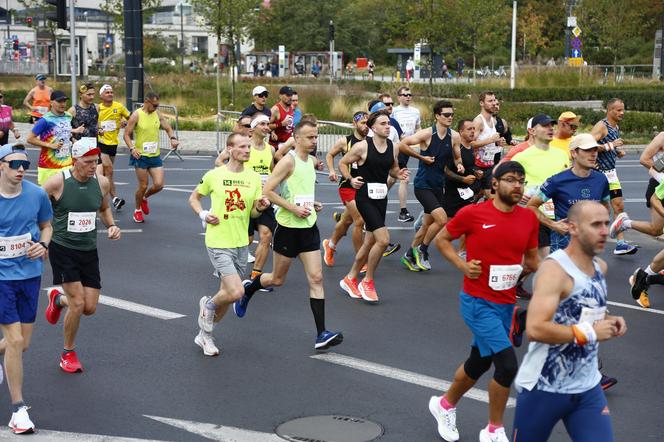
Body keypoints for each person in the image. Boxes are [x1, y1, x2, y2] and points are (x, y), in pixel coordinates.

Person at [429, 161, 539, 442]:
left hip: (505, 303)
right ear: (495, 184)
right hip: (477, 302)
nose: (517, 186)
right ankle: (494, 430)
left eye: (521, 181)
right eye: (511, 180)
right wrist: (462, 266)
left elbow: (531, 259)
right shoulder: (473, 214)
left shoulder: (528, 219)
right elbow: (442, 239)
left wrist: (526, 270)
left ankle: (444, 405)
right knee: (507, 366)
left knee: (479, 362)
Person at [512, 200, 627, 442]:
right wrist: (590, 332)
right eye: (596, 224)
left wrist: (609, 320)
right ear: (572, 228)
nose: (605, 231)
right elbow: (535, 329)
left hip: (587, 388)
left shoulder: (600, 267)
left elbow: (585, 311)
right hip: (544, 388)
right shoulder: (554, 271)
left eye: (606, 223)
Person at [234, 121, 343, 350]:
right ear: (297, 139)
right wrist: (293, 209)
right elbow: (268, 191)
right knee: (277, 279)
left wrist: (311, 204)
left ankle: (321, 333)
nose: (315, 141)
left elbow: (296, 191)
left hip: (308, 227)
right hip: (287, 229)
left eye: (316, 137)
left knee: (316, 279)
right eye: (310, 137)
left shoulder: (311, 162)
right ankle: (248, 289)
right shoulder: (288, 161)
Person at [42, 139, 121, 373]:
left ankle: (57, 299)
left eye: (95, 161)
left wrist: (111, 226)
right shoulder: (58, 182)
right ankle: (68, 352)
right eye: (87, 162)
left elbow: (104, 208)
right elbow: (34, 205)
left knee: (89, 307)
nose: (92, 166)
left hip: (88, 250)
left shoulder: (102, 182)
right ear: (74, 161)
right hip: (62, 248)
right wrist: (41, 237)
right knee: (78, 303)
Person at [191, 133, 270, 356]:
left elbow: (252, 211)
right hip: (218, 240)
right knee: (236, 292)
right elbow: (193, 198)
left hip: (240, 242)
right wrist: (204, 214)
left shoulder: (254, 178)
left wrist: (261, 207)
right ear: (230, 149)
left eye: (249, 147)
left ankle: (205, 336)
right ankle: (207, 305)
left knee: (225, 293)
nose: (247, 150)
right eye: (243, 147)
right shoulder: (214, 175)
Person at [0, 143, 52, 434]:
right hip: (1, 277)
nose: (22, 169)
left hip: (30, 274)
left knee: (22, 344)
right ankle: (18, 410)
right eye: (15, 164)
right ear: (1, 166)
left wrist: (42, 244)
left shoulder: (37, 194)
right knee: (16, 341)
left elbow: (47, 226)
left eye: (26, 165)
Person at [338, 110, 409, 303]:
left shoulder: (393, 147)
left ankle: (350, 278)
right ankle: (367, 281)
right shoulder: (362, 147)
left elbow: (393, 168)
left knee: (370, 241)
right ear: (373, 127)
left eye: (389, 123)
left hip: (381, 197)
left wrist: (399, 174)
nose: (388, 126)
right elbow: (343, 163)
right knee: (383, 240)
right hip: (365, 198)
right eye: (384, 123)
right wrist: (350, 179)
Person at [398, 100, 461, 272]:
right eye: (446, 115)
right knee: (441, 219)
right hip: (422, 185)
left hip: (438, 186)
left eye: (452, 114)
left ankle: (409, 255)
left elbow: (457, 156)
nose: (450, 117)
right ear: (437, 116)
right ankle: (422, 250)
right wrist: (421, 158)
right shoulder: (427, 134)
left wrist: (460, 164)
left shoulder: (454, 136)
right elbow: (402, 145)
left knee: (426, 225)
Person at [526, 133, 609, 253]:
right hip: (563, 243)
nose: (593, 154)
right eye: (587, 150)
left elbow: (605, 206)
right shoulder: (556, 180)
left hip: (589, 242)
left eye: (595, 149)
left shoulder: (601, 179)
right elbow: (531, 206)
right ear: (574, 153)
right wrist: (553, 225)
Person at [512, 114, 569, 259]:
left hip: (560, 215)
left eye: (551, 125)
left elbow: (567, 182)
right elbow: (504, 182)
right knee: (544, 262)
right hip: (536, 214)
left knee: (553, 263)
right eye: (545, 126)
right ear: (532, 131)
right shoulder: (521, 157)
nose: (550, 129)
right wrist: (520, 193)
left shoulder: (562, 155)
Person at [123, 92, 179, 223]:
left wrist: (173, 138)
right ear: (147, 101)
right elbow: (126, 134)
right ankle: (137, 210)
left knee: (159, 185)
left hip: (155, 155)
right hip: (141, 156)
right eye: (154, 105)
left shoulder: (157, 113)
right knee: (143, 186)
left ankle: (144, 198)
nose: (156, 107)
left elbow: (168, 127)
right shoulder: (136, 115)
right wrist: (132, 148)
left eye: (158, 105)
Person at [591, 98, 637, 255]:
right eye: (618, 110)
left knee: (619, 206)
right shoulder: (601, 126)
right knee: (600, 209)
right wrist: (612, 146)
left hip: (611, 174)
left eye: (623, 109)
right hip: (598, 174)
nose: (622, 113)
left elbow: (610, 145)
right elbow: (588, 145)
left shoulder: (615, 126)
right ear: (609, 110)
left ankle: (621, 243)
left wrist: (616, 152)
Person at [323, 111, 369, 265]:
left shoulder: (371, 141)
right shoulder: (345, 141)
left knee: (346, 221)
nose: (365, 126)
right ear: (354, 124)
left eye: (367, 122)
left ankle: (330, 245)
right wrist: (331, 170)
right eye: (362, 122)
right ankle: (361, 261)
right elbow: (330, 155)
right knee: (360, 220)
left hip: (364, 186)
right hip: (347, 185)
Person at [26, 90, 85, 185]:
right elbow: (30, 138)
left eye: (64, 101)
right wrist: (50, 145)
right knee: (48, 199)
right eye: (59, 101)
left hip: (67, 164)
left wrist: (74, 134)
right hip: (49, 166)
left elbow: (63, 131)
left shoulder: (68, 116)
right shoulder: (45, 120)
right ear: (51, 102)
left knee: (66, 198)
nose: (63, 104)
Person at [245, 115, 276, 281]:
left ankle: (256, 275)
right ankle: (226, 267)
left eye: (267, 124)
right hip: (245, 200)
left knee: (266, 235)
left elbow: (273, 173)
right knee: (247, 239)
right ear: (253, 128)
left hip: (263, 199)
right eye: (262, 124)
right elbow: (221, 163)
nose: (266, 127)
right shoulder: (244, 147)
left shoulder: (270, 149)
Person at [441, 119, 481, 234]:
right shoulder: (456, 149)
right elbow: (446, 170)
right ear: (460, 132)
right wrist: (463, 179)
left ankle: (463, 251)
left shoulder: (471, 148)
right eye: (469, 129)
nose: (473, 131)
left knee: (467, 222)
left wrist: (476, 172)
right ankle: (424, 224)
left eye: (474, 129)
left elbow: (470, 166)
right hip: (452, 191)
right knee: (445, 224)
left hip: (465, 192)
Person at [97, 84, 131, 211]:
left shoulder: (119, 106)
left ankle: (106, 197)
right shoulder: (97, 108)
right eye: (107, 92)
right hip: (100, 143)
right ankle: (115, 198)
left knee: (108, 175)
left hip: (113, 144)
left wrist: (126, 122)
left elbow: (131, 118)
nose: (110, 94)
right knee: (109, 170)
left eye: (111, 92)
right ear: (101, 96)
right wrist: (98, 129)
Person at [392, 87, 421, 222]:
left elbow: (418, 129)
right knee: (404, 178)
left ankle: (374, 198)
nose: (408, 97)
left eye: (410, 95)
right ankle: (403, 212)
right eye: (405, 95)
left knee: (391, 179)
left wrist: (421, 142)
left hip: (407, 147)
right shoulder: (394, 111)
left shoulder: (416, 112)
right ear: (399, 97)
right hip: (397, 146)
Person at [471, 91, 506, 200]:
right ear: (482, 103)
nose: (494, 103)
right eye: (490, 101)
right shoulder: (478, 121)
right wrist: (491, 140)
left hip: (489, 165)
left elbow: (489, 143)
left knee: (493, 200)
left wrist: (498, 143)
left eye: (494, 100)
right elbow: (470, 143)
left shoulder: (492, 120)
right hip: (477, 167)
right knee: (472, 199)